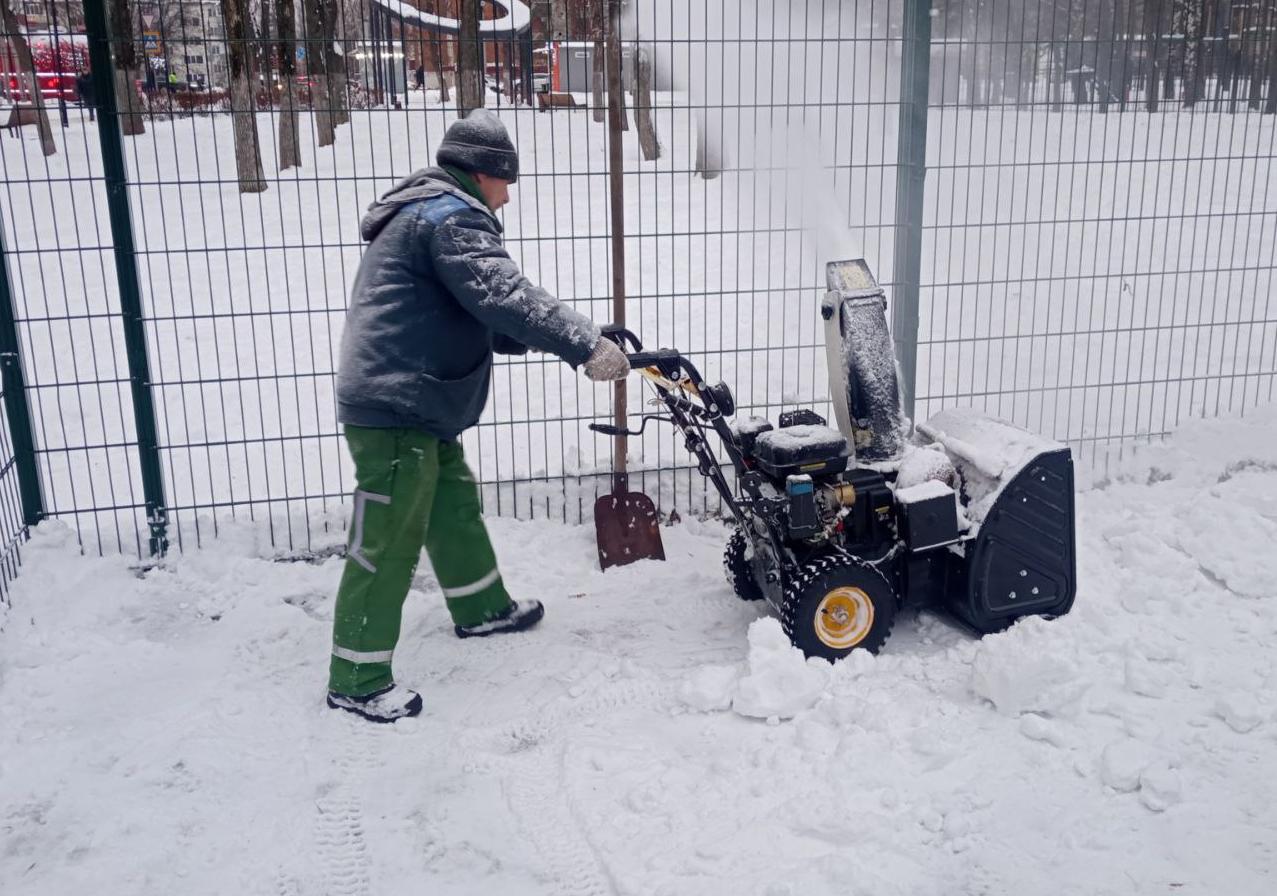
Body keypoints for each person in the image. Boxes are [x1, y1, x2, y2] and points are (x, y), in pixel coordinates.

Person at [326, 109, 630, 723]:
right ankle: (356, 676)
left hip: (414, 397)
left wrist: (580, 336)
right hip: (397, 403)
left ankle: (480, 607)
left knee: (450, 502)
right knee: (387, 537)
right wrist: (583, 344)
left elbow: (480, 310)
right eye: (505, 181)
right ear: (481, 173)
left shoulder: (430, 211)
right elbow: (504, 297)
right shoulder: (450, 218)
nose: (508, 196)